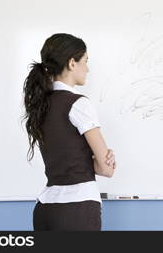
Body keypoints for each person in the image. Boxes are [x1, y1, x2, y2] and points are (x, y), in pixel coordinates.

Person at [21, 33, 116, 231]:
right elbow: (106, 170)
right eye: (86, 61)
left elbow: (66, 156)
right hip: (77, 209)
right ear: (72, 63)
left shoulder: (40, 105)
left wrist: (86, 160)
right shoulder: (79, 104)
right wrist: (101, 159)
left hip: (46, 209)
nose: (88, 69)